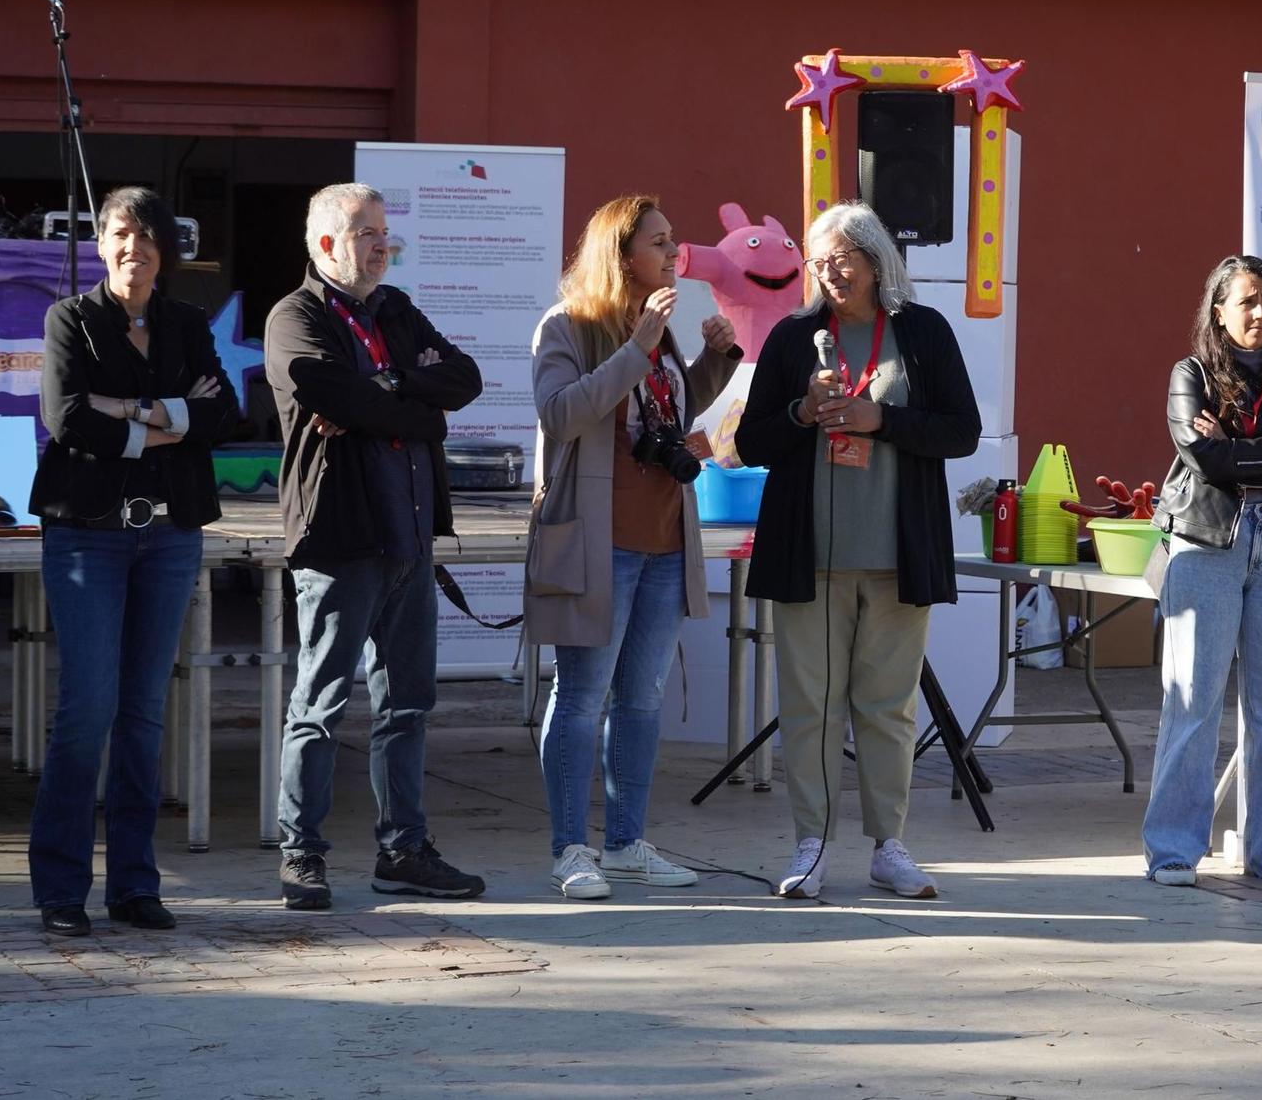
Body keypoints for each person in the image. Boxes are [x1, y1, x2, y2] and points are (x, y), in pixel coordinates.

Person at [736, 203, 980, 899]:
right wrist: (800, 413)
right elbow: (752, 442)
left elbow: (962, 429)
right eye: (819, 259)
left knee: (887, 704)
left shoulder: (923, 332)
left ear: (877, 259)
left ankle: (889, 845)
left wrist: (885, 419)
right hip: (806, 551)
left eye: (843, 256)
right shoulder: (792, 337)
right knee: (809, 702)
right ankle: (811, 844)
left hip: (898, 550)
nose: (830, 269)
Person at [265, 182, 486, 911]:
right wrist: (404, 405)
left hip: (409, 538)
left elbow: (464, 379)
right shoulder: (295, 316)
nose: (382, 244)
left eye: (385, 231)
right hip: (341, 539)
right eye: (367, 232)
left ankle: (404, 850)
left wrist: (389, 384)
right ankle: (303, 854)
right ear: (326, 243)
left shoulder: (393, 309)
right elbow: (333, 394)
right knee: (322, 702)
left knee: (407, 704)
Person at [28, 187, 237, 936]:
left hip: (170, 535)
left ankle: (134, 884)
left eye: (147, 238)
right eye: (120, 234)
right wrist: (169, 416)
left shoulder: (185, 323)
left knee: (145, 715)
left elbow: (225, 412)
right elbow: (68, 416)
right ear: (100, 242)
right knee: (87, 710)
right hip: (89, 533)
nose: (133, 249)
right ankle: (59, 889)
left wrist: (134, 409)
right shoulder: (70, 319)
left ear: (164, 252)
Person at [528, 195, 741, 900]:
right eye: (659, 242)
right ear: (622, 254)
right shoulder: (569, 326)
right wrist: (637, 348)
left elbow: (667, 418)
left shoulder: (657, 329)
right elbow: (562, 412)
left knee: (642, 699)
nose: (674, 253)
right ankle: (569, 848)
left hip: (663, 540)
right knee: (582, 696)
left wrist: (712, 358)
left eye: (674, 241)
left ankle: (625, 843)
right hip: (598, 542)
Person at [1142, 254, 1262, 888]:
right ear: (1218, 312)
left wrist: (1243, 450)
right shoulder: (1190, 373)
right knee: (1193, 700)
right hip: (1206, 544)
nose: (1259, 313)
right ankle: (1173, 852)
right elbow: (1203, 458)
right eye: (1246, 301)